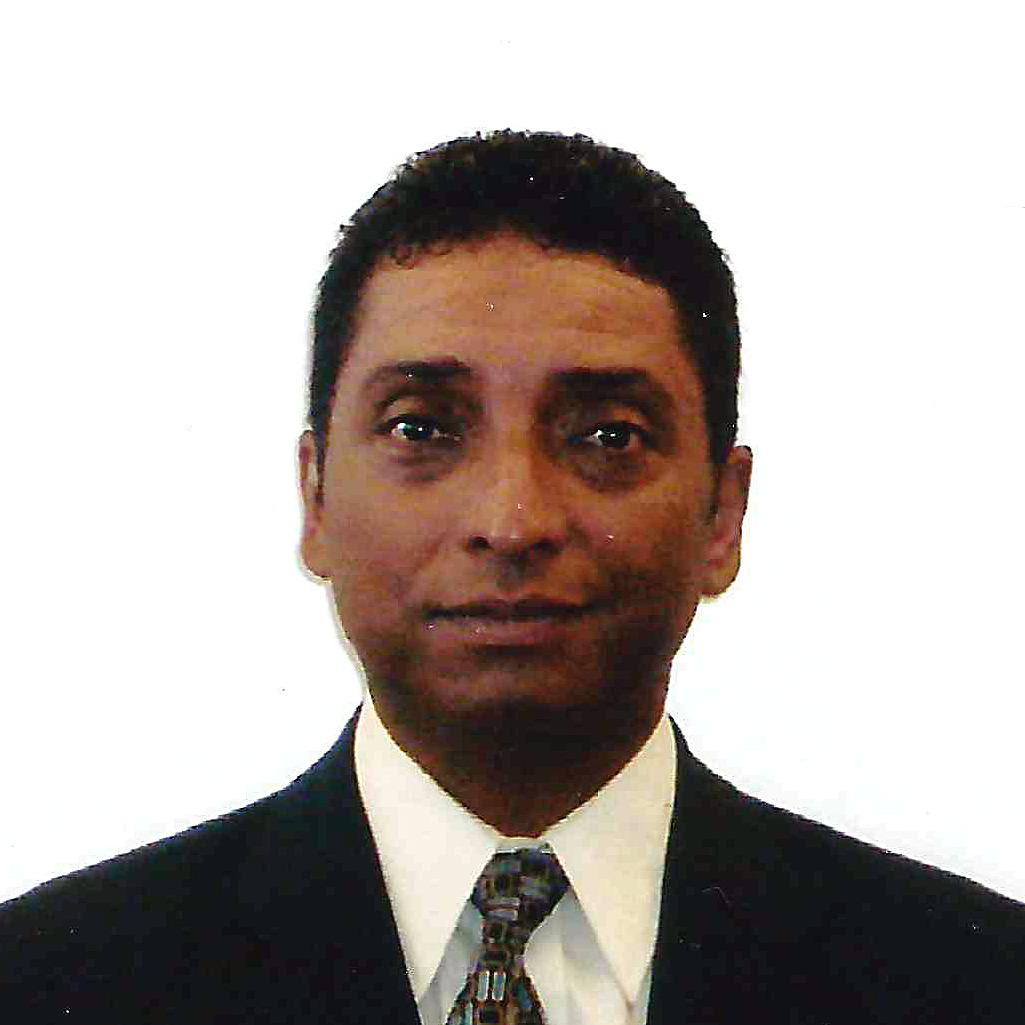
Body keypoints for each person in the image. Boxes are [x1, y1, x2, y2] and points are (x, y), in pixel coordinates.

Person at [1, 130, 1021, 1024]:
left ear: (722, 511)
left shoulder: (972, 981)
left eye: (608, 435)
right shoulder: (52, 980)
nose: (511, 520)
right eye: (421, 428)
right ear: (315, 496)